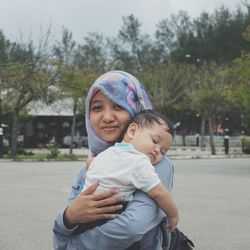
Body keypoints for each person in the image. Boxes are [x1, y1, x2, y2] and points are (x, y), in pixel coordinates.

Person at [53, 70, 175, 250]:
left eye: (118, 106)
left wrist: (72, 245)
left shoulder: (155, 162)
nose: (108, 117)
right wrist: (68, 217)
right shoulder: (94, 161)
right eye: (97, 108)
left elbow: (131, 227)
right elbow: (69, 220)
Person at [78, 110, 178, 234]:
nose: (158, 150)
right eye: (155, 141)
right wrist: (173, 215)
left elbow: (91, 171)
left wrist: (89, 164)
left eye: (163, 152)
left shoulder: (107, 153)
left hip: (83, 216)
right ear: (132, 131)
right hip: (108, 216)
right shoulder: (139, 161)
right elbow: (159, 193)